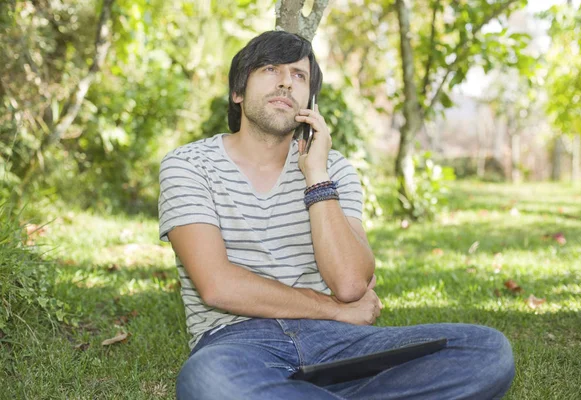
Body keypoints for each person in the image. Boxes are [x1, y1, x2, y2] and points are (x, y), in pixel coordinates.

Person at [158, 30, 515, 400]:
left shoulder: (334, 170)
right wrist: (334, 311)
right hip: (240, 344)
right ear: (238, 92)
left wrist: (316, 177)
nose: (285, 81)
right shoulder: (188, 165)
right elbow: (218, 285)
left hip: (338, 345)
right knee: (209, 380)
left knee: (486, 351)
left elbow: (349, 285)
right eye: (269, 69)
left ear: (309, 101)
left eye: (299, 76)